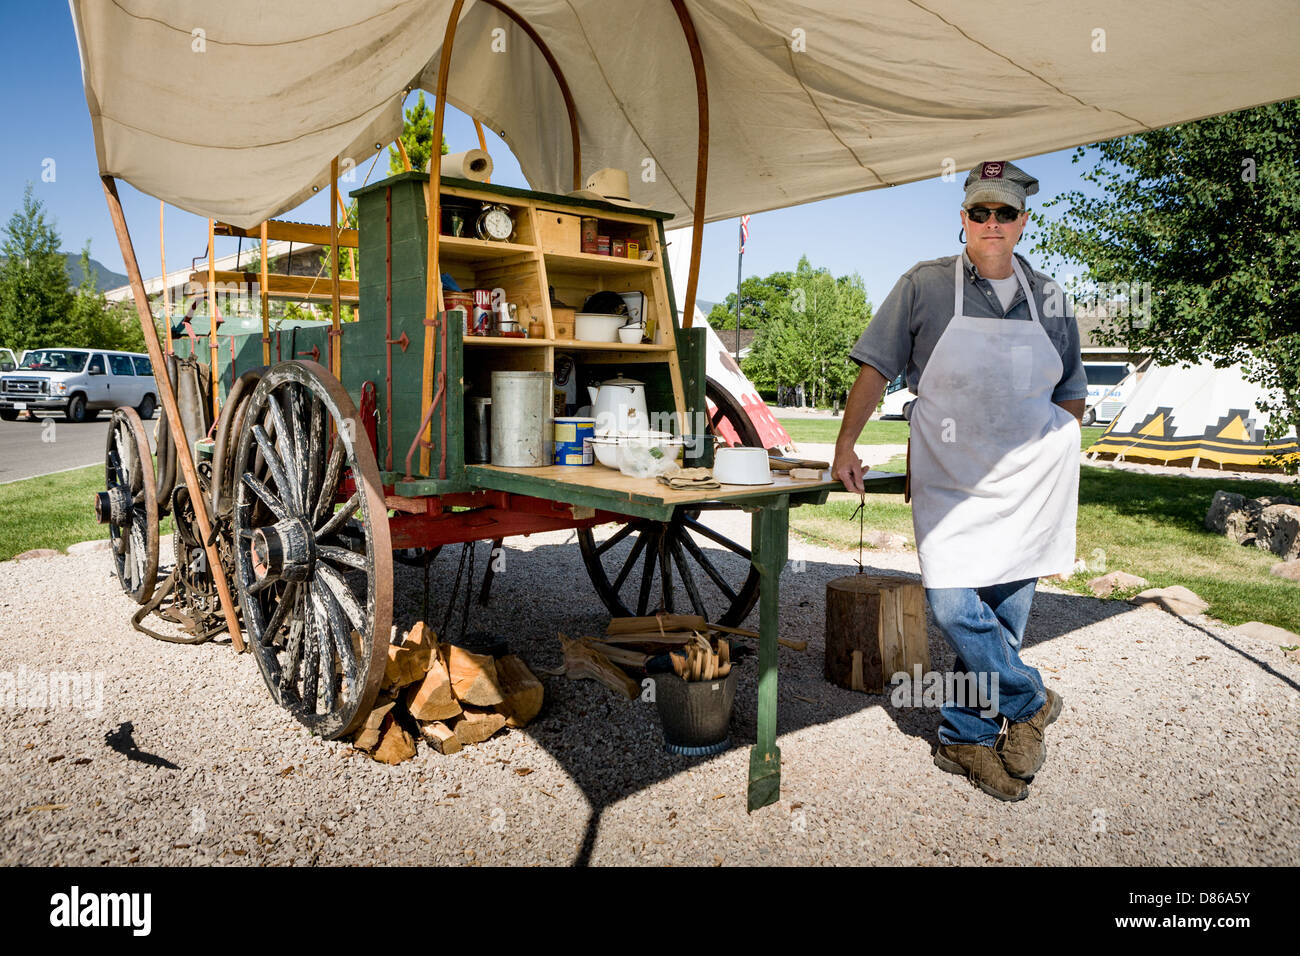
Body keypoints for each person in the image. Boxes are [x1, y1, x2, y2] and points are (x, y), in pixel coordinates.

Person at [831, 160, 1087, 802]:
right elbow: (875, 368)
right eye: (980, 212)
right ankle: (1029, 699)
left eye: (1005, 213)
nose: (992, 223)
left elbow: (1073, 393)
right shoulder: (923, 285)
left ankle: (963, 737)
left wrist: (1050, 456)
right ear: (964, 219)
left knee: (1003, 617)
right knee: (950, 602)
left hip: (1029, 482)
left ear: (1023, 223)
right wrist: (845, 443)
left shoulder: (1050, 298)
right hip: (950, 474)